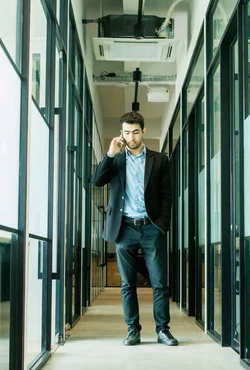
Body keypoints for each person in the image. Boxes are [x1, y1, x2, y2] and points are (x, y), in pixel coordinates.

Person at [91, 111, 177, 346]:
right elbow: (96, 181)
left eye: (135, 132)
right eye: (127, 132)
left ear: (143, 132)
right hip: (124, 228)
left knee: (159, 282)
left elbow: (167, 196)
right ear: (122, 133)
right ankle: (133, 330)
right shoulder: (116, 159)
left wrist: (161, 226)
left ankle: (163, 330)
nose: (131, 137)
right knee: (128, 284)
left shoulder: (159, 160)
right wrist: (109, 154)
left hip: (152, 228)